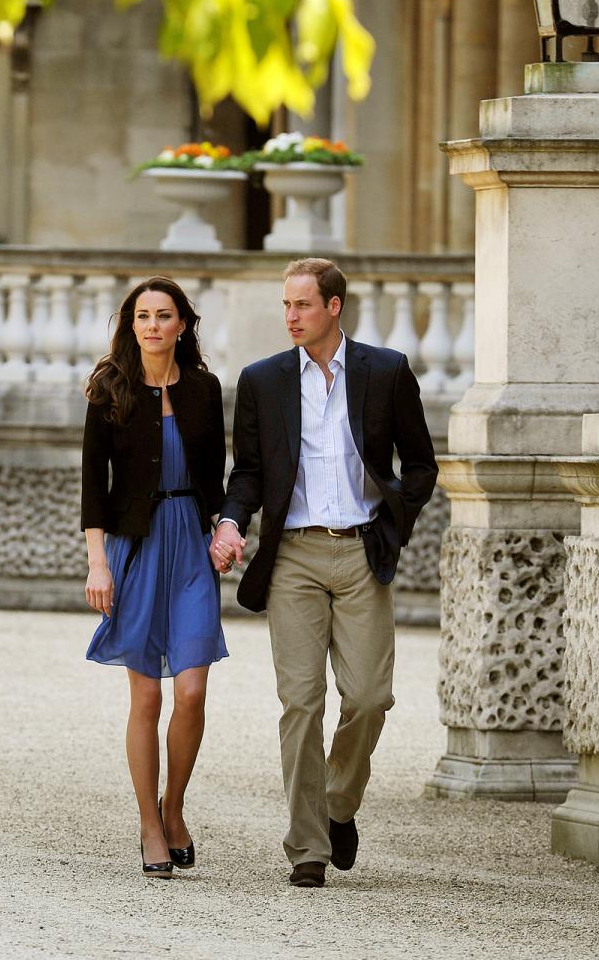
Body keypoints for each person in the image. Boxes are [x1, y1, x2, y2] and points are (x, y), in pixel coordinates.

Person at [210, 258, 437, 888]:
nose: (290, 317)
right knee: (301, 702)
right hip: (294, 557)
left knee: (368, 697)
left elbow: (420, 464)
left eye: (302, 305)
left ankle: (338, 804)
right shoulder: (263, 380)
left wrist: (395, 522)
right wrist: (232, 522)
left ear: (333, 307)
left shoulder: (386, 371)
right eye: (286, 306)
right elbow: (248, 472)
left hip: (363, 551)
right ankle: (306, 847)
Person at [82, 276, 228, 879]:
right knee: (146, 695)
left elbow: (216, 477)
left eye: (163, 315)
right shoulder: (108, 390)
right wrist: (98, 564)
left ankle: (175, 807)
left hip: (191, 548)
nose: (152, 326)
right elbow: (95, 487)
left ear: (182, 324)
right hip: (135, 551)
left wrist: (225, 526)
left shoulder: (204, 390)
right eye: (142, 315)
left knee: (191, 690)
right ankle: (149, 823)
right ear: (130, 324)